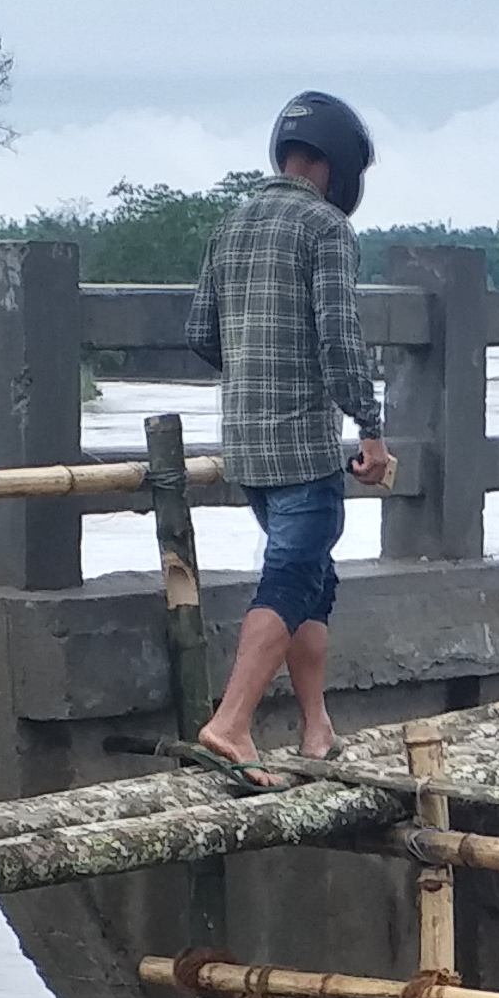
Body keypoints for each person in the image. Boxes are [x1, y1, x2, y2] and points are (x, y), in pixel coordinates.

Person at [185, 91, 397, 763]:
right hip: (304, 447)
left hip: (247, 448)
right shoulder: (326, 229)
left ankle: (316, 730)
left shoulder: (232, 226)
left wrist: (253, 363)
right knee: (289, 581)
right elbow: (339, 340)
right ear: (333, 167)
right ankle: (233, 723)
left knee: (311, 579)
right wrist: (370, 427)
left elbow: (199, 333)